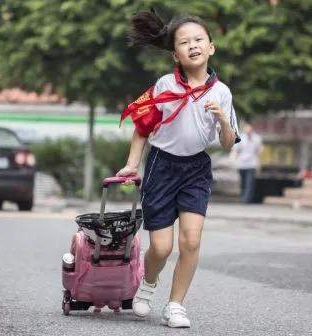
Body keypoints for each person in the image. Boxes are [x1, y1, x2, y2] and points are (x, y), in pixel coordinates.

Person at [117, 10, 240, 328]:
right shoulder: (165, 85)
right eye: (185, 42)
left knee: (191, 241)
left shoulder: (221, 92)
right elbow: (143, 127)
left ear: (211, 47)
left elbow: (228, 143)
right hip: (162, 165)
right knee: (161, 246)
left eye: (199, 39)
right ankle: (148, 282)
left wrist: (223, 120)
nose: (193, 45)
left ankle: (175, 305)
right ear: (176, 54)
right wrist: (132, 164)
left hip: (197, 168)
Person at [234, 122, 262, 203]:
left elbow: (258, 152)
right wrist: (234, 161)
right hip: (241, 163)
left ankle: (245, 200)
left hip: (252, 163)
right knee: (243, 182)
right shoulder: (240, 138)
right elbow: (236, 150)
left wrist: (258, 163)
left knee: (249, 183)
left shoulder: (257, 138)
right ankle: (243, 197)